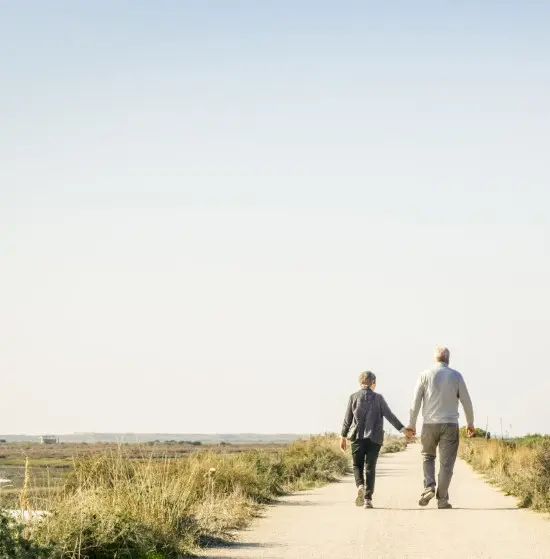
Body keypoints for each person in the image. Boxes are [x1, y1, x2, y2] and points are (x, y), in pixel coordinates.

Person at [408, 346, 474, 509]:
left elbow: (415, 402)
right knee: (447, 464)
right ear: (448, 359)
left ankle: (429, 486)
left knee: (428, 457)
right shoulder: (456, 376)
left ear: (435, 359)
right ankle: (442, 500)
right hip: (450, 425)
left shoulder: (424, 375)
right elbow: (466, 401)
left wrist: (412, 423)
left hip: (429, 424)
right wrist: (470, 423)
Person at [340, 371, 412, 509]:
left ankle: (360, 485)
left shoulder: (353, 397)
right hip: (374, 439)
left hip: (357, 438)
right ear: (373, 383)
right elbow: (390, 416)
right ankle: (367, 499)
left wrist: (343, 437)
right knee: (370, 468)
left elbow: (347, 420)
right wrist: (404, 431)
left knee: (357, 466)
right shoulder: (378, 398)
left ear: (360, 382)